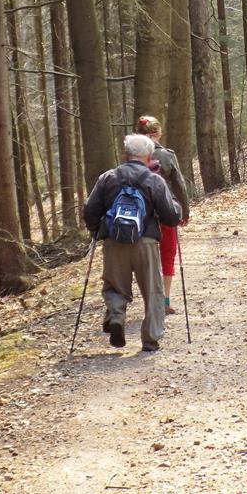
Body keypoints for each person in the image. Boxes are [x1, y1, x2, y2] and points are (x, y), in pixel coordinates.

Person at [83, 133, 182, 352]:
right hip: (145, 242)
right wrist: (177, 208)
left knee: (114, 285)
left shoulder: (107, 178)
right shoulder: (154, 180)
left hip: (113, 241)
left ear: (125, 154)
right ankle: (151, 338)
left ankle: (117, 316)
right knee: (152, 290)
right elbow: (170, 216)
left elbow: (90, 210)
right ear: (148, 156)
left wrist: (98, 231)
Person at [136, 115, 190, 315]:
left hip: (142, 216)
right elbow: (179, 185)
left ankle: (151, 299)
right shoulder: (167, 155)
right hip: (166, 212)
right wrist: (184, 211)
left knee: (148, 259)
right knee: (167, 255)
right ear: (157, 132)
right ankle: (165, 300)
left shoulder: (132, 157)